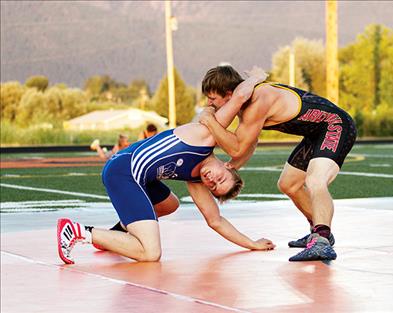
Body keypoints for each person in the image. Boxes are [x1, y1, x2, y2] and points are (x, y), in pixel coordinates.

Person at [57, 68, 275, 265]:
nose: (211, 181)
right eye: (221, 178)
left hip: (132, 171)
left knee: (169, 204)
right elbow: (239, 96)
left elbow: (215, 220)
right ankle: (77, 232)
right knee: (150, 253)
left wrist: (252, 244)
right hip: (125, 171)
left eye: (213, 187)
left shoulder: (197, 178)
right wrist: (258, 77)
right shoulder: (206, 135)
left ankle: (114, 236)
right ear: (227, 166)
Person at [199, 65, 357, 262]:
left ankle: (322, 241)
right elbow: (250, 143)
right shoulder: (246, 105)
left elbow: (237, 148)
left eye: (212, 99)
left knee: (315, 180)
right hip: (315, 133)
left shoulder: (257, 101)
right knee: (288, 184)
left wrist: (208, 120)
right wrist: (232, 165)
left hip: (335, 124)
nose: (209, 104)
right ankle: (317, 228)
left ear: (230, 94)